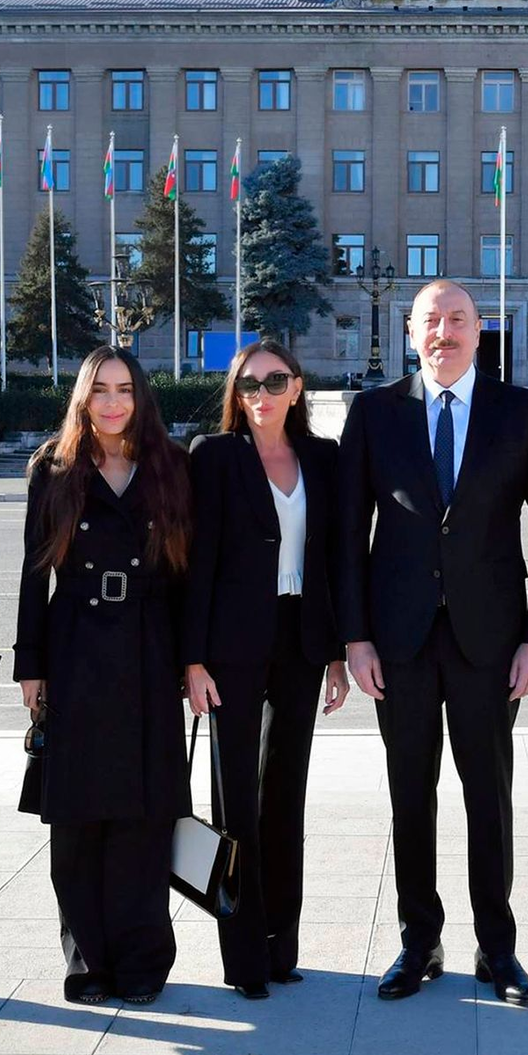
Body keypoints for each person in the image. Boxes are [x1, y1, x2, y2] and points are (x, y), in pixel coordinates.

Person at [337, 280, 528, 1007]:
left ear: (480, 330)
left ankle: (497, 949)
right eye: (431, 321)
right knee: (411, 793)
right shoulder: (375, 414)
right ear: (411, 332)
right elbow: (347, 535)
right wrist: (355, 638)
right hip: (397, 641)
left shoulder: (523, 412)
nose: (445, 332)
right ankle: (418, 939)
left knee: (488, 796)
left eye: (459, 320)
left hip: (492, 643)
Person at [14, 346, 192, 1006]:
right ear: (83, 399)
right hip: (76, 647)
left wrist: (190, 658)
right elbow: (36, 573)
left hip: (149, 647)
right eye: (100, 390)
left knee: (146, 812)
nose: (113, 402)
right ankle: (88, 962)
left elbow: (186, 574)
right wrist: (30, 665)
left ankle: (143, 959)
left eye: (123, 389)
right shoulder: (54, 468)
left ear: (140, 397)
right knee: (80, 817)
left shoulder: (172, 466)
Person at [183, 340, 348, 999]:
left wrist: (336, 649)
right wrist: (191, 657)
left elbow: (334, 557)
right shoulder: (215, 456)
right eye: (249, 383)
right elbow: (195, 563)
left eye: (274, 380)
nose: (261, 393)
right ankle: (244, 956)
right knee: (236, 803)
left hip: (301, 641)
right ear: (236, 393)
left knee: (286, 792)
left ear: (297, 388)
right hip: (231, 645)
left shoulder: (322, 457)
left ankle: (282, 943)